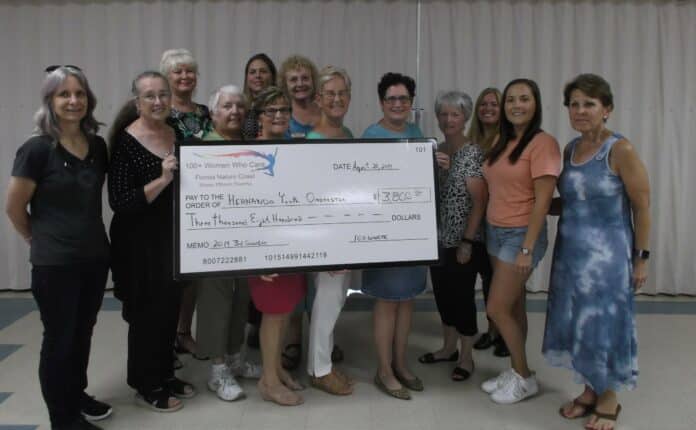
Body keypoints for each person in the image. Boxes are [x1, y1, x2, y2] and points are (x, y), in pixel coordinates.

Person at [5, 65, 111, 430]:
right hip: (55, 265)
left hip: (95, 258)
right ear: (49, 101)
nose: (73, 100)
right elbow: (14, 207)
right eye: (64, 94)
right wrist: (36, 239)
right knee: (60, 340)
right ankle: (62, 418)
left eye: (79, 93)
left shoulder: (97, 145)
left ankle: (75, 395)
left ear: (88, 100)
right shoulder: (36, 149)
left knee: (83, 333)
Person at [543, 73, 650, 430]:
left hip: (608, 261)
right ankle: (590, 389)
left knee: (604, 326)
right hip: (571, 257)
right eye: (574, 104)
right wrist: (527, 204)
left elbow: (643, 206)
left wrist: (641, 258)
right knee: (580, 324)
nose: (580, 110)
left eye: (589, 103)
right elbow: (571, 202)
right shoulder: (571, 149)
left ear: (607, 109)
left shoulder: (621, 150)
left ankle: (609, 398)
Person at [108, 71, 196, 412]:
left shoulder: (176, 133)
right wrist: (161, 179)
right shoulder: (126, 141)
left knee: (169, 311)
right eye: (150, 96)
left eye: (163, 94)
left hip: (172, 240)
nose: (158, 101)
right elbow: (120, 202)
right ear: (137, 101)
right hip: (137, 244)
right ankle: (145, 384)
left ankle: (164, 372)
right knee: (146, 315)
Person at [361, 72, 448, 400]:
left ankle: (400, 363)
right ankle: (384, 370)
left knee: (408, 299)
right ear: (382, 102)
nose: (398, 104)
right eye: (391, 99)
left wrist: (434, 164)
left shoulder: (416, 133)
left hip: (414, 232)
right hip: (384, 234)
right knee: (386, 302)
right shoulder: (371, 135)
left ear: (411, 103)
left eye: (404, 99)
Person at [480, 78, 561, 404]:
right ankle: (516, 369)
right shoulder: (501, 140)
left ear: (536, 104)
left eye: (524, 99)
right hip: (495, 231)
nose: (516, 105)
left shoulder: (543, 144)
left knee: (496, 308)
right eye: (511, 99)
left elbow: (543, 201)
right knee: (513, 306)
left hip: (520, 236)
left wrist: (527, 247)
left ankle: (525, 377)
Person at [194, 85, 262, 402]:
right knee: (215, 303)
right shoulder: (202, 148)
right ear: (213, 113)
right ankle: (217, 370)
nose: (234, 111)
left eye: (239, 106)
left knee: (240, 300)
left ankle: (235, 356)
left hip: (245, 239)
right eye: (227, 106)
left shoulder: (246, 145)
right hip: (213, 241)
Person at [418, 90, 488, 382]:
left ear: (465, 117)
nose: (448, 119)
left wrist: (467, 242)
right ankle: (447, 348)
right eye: (443, 114)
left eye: (455, 114)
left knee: (462, 299)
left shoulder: (473, 153)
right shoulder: (437, 150)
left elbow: (480, 201)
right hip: (438, 242)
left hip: (464, 243)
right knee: (443, 297)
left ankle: (466, 357)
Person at [247, 86, 307, 406]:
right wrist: (259, 256)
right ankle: (268, 381)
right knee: (273, 313)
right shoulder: (252, 155)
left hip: (292, 245)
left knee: (286, 310)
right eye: (272, 111)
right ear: (259, 117)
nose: (280, 116)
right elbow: (246, 209)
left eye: (284, 110)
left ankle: (278, 370)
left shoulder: (292, 148)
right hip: (267, 251)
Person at [305, 66, 355, 396]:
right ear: (319, 99)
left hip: (345, 230)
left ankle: (322, 364)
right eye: (330, 94)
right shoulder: (313, 140)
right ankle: (319, 370)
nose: (337, 99)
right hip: (326, 236)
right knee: (326, 300)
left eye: (343, 93)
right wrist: (329, 246)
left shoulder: (347, 134)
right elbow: (311, 198)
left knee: (334, 300)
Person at [467, 87, 509, 357]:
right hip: (476, 223)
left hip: (501, 222)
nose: (488, 109)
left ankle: (506, 335)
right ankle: (492, 330)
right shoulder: (471, 142)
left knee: (503, 284)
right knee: (487, 280)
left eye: (494, 104)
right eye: (483, 104)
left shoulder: (508, 140)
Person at [277, 55, 321, 138]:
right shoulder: (280, 118)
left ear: (313, 80)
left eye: (305, 78)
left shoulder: (325, 113)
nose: (300, 84)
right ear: (285, 85)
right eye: (293, 79)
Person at [241, 53, 277, 140]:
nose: (258, 76)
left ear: (272, 76)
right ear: (247, 78)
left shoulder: (283, 106)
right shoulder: (240, 107)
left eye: (263, 71)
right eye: (253, 72)